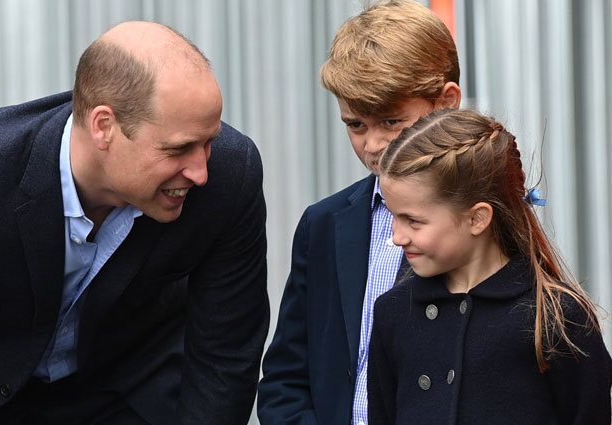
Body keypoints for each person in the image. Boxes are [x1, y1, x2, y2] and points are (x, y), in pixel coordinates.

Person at [0, 21, 269, 425]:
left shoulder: (231, 176)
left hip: (135, 401)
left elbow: (225, 357)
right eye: (178, 149)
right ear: (103, 126)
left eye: (209, 142)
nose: (200, 172)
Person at [257, 1, 461, 423]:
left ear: (446, 103)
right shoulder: (325, 224)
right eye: (356, 125)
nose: (373, 145)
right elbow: (285, 377)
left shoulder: (487, 220)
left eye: (391, 121)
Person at [368, 108, 612, 424]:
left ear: (477, 218)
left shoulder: (557, 317)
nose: (397, 238)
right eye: (393, 217)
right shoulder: (393, 312)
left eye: (413, 221)